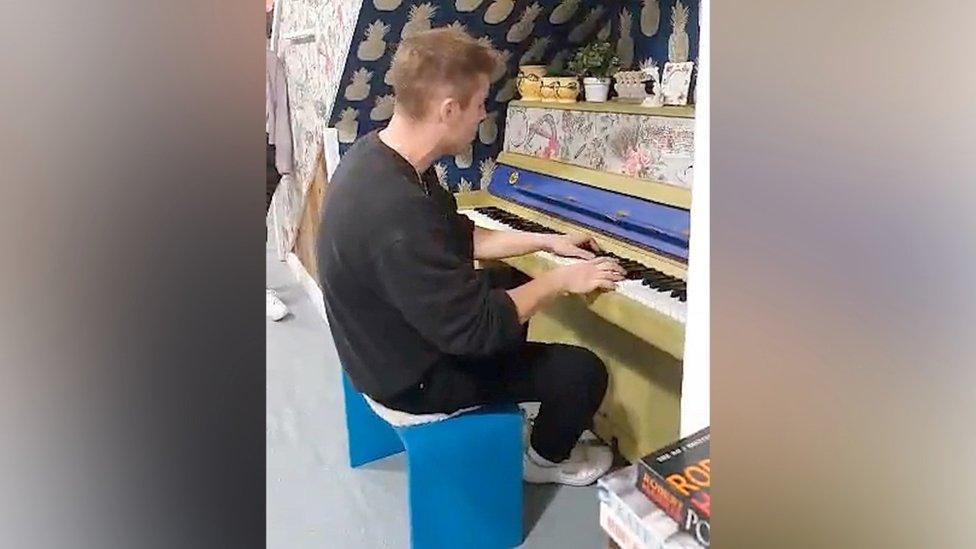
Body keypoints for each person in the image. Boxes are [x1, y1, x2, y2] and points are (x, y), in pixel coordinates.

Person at [317, 28, 627, 486]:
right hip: (408, 382)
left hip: (379, 345)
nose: (483, 114)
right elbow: (478, 328)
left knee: (502, 283)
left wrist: (547, 242)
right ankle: (542, 463)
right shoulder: (396, 213)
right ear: (448, 110)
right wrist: (562, 280)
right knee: (580, 372)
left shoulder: (382, 157)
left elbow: (459, 235)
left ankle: (509, 393)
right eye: (480, 102)